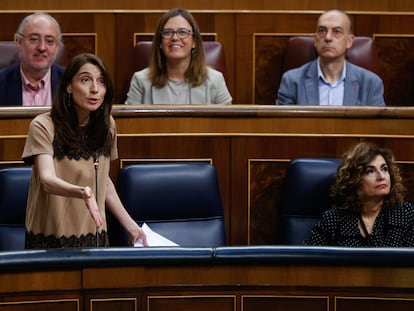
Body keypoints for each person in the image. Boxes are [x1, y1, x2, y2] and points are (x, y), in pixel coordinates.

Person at [22, 53, 147, 248]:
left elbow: (103, 181)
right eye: (85, 80)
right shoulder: (43, 125)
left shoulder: (107, 125)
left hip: (95, 236)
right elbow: (47, 180)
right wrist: (82, 192)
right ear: (68, 86)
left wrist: (130, 225)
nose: (95, 89)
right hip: (51, 238)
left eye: (101, 82)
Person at [305, 142, 414, 247]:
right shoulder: (333, 219)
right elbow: (307, 259)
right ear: (354, 180)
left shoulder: (407, 214)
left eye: (384, 169)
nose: (381, 176)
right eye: (370, 171)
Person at [276, 9, 385, 106]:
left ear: (349, 41)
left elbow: (376, 128)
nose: (328, 37)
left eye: (337, 31)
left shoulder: (370, 83)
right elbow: (284, 127)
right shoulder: (292, 81)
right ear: (315, 39)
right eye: (322, 31)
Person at [125, 8, 232, 105]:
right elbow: (131, 124)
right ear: (160, 42)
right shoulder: (140, 81)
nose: (175, 37)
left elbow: (227, 124)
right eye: (168, 32)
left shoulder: (215, 80)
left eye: (182, 32)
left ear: (194, 41)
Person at [0, 12, 65, 106]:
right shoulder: (2, 83)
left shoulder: (70, 82)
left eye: (49, 41)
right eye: (34, 39)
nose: (42, 47)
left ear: (57, 46)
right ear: (19, 42)